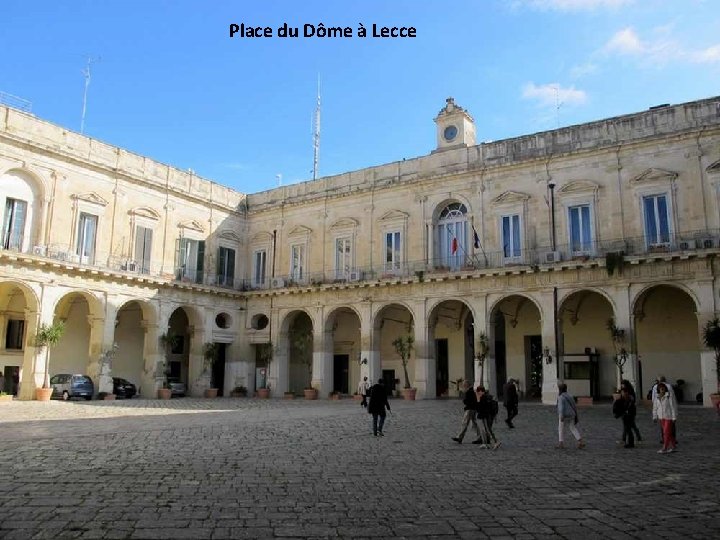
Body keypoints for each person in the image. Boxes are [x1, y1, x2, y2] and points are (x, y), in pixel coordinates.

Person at [556, 383, 585, 449]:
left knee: (560, 428)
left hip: (565, 415)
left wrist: (561, 416)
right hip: (572, 414)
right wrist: (576, 414)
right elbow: (574, 406)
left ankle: (561, 443)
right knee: (572, 428)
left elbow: (561, 408)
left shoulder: (560, 397)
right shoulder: (570, 396)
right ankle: (580, 441)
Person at [652, 382, 677, 454]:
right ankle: (673, 446)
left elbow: (673, 407)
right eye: (660, 389)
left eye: (663, 389)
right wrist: (654, 416)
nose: (662, 390)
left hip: (668, 416)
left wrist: (674, 416)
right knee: (669, 432)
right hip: (661, 417)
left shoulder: (669, 397)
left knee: (665, 432)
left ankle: (664, 447)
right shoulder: (657, 398)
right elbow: (655, 408)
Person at [619, 379, 642, 444]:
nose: (622, 385)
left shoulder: (630, 391)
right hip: (625, 411)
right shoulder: (624, 391)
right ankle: (637, 437)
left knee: (631, 425)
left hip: (630, 411)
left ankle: (625, 439)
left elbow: (631, 401)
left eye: (622, 384)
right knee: (629, 425)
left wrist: (626, 408)